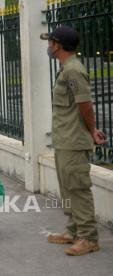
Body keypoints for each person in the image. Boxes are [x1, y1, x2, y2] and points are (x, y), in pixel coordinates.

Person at [41, 26, 106, 256]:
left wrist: (93, 130)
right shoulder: (65, 69)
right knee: (67, 188)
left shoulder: (74, 71)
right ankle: (73, 230)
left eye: (50, 42)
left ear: (58, 44)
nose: (49, 46)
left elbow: (85, 105)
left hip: (74, 141)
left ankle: (88, 238)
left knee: (78, 189)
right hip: (64, 139)